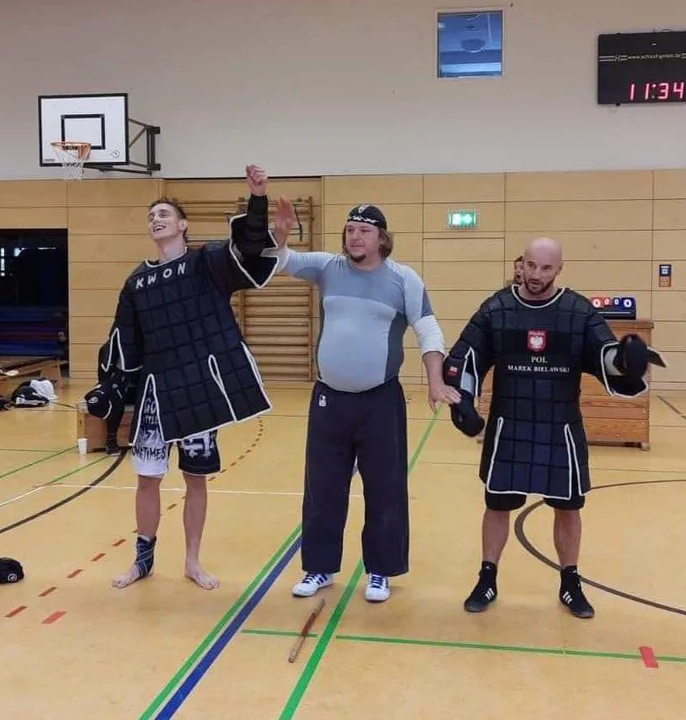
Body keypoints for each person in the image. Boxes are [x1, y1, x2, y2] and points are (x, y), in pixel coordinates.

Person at [443, 236, 665, 618]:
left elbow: (605, 356)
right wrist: (462, 402)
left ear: (559, 269)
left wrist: (626, 363)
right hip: (509, 425)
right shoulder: (497, 309)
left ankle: (570, 582)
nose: (536, 274)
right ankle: (487, 577)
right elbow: (465, 357)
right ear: (521, 263)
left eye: (546, 268)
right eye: (530, 265)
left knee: (568, 508)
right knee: (496, 505)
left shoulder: (578, 312)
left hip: (560, 427)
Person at [89, 164, 282, 591]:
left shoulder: (206, 262)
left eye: (164, 214)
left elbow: (249, 246)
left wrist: (258, 199)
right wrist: (111, 387)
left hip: (198, 390)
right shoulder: (136, 283)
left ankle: (193, 561)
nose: (156, 219)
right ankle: (142, 561)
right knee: (147, 479)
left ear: (182, 225)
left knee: (196, 479)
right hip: (155, 393)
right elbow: (124, 342)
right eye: (151, 216)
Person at [268, 199, 459, 603]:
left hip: (380, 403)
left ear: (382, 238)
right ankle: (319, 567)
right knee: (322, 487)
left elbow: (428, 330)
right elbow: (282, 261)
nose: (355, 237)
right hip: (329, 400)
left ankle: (380, 571)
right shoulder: (328, 267)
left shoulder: (403, 279)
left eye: (365, 231)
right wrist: (281, 236)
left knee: (386, 488)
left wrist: (435, 382)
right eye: (351, 229)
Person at [85, 339, 138, 455]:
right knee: (115, 393)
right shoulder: (108, 349)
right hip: (117, 390)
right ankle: (111, 440)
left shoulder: (145, 347)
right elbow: (104, 380)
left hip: (138, 387)